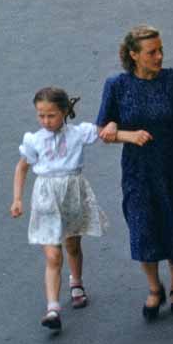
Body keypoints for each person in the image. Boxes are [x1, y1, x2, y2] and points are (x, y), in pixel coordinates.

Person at [98, 25, 173, 321]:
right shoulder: (117, 86)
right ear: (133, 55)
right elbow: (104, 130)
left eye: (161, 50)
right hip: (138, 171)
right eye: (151, 52)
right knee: (143, 227)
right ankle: (155, 288)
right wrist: (124, 133)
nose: (159, 57)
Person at [10, 87, 149, 330]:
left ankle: (76, 282)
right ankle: (53, 308)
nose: (45, 121)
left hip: (72, 196)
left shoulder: (78, 133)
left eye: (51, 115)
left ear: (64, 112)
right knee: (53, 255)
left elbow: (106, 135)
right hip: (46, 200)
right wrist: (17, 199)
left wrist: (131, 135)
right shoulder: (33, 140)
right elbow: (22, 167)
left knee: (73, 245)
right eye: (41, 115)